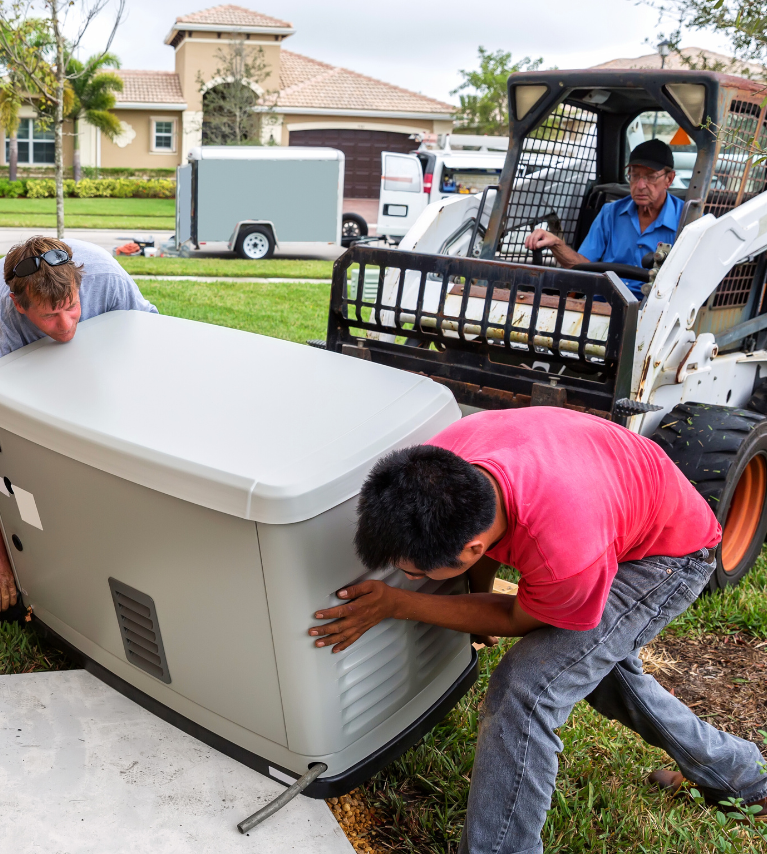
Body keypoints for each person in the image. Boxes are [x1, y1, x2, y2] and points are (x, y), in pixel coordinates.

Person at [308, 407, 767, 853]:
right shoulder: (443, 465)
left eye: (411, 571)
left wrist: (400, 603)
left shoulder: (564, 553)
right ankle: (743, 777)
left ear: (469, 548)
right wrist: (472, 592)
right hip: (616, 500)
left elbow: (516, 620)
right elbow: (486, 550)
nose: (405, 577)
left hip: (670, 556)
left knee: (526, 689)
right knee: (601, 675)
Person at [0, 237, 158, 611]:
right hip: (7, 357)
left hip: (91, 347)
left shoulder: (107, 277)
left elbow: (148, 350)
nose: (65, 326)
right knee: (18, 453)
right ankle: (9, 555)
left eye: (72, 307)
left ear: (81, 286)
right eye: (49, 315)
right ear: (18, 305)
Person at [524, 138, 682, 299]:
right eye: (634, 176)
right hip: (603, 303)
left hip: (655, 312)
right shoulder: (610, 213)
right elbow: (582, 265)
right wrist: (556, 243)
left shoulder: (687, 219)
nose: (640, 185)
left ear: (669, 179)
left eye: (650, 177)